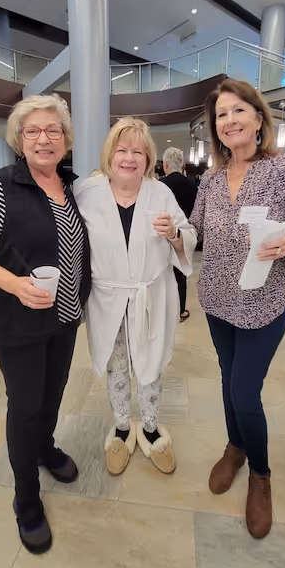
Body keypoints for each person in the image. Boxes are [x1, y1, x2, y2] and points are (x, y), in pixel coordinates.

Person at [0, 94, 91, 555]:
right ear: (19, 139)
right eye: (33, 131)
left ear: (66, 139)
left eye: (53, 131)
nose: (43, 138)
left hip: (66, 314)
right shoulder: (0, 186)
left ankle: (45, 448)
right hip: (20, 319)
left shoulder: (71, 185)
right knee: (26, 403)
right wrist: (15, 284)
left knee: (53, 392)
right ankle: (26, 498)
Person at [190, 78, 285, 539]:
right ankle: (235, 447)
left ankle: (260, 475)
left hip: (265, 304)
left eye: (238, 111)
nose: (229, 121)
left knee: (246, 392)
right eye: (221, 115)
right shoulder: (210, 179)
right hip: (218, 300)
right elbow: (195, 230)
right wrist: (172, 232)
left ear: (258, 118)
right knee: (228, 380)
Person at [76, 118, 196, 477]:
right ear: (109, 155)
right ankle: (122, 427)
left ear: (149, 159)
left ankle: (152, 427)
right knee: (117, 365)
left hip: (151, 294)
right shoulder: (87, 193)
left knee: (150, 362)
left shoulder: (160, 194)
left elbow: (187, 237)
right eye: (122, 150)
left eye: (138, 152)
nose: (129, 158)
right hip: (107, 297)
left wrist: (175, 233)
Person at [161, 147, 198, 322]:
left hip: (163, 234)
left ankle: (165, 309)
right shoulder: (192, 184)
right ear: (182, 164)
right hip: (185, 234)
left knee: (165, 273)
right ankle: (181, 310)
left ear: (166, 164)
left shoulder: (161, 186)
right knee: (181, 274)